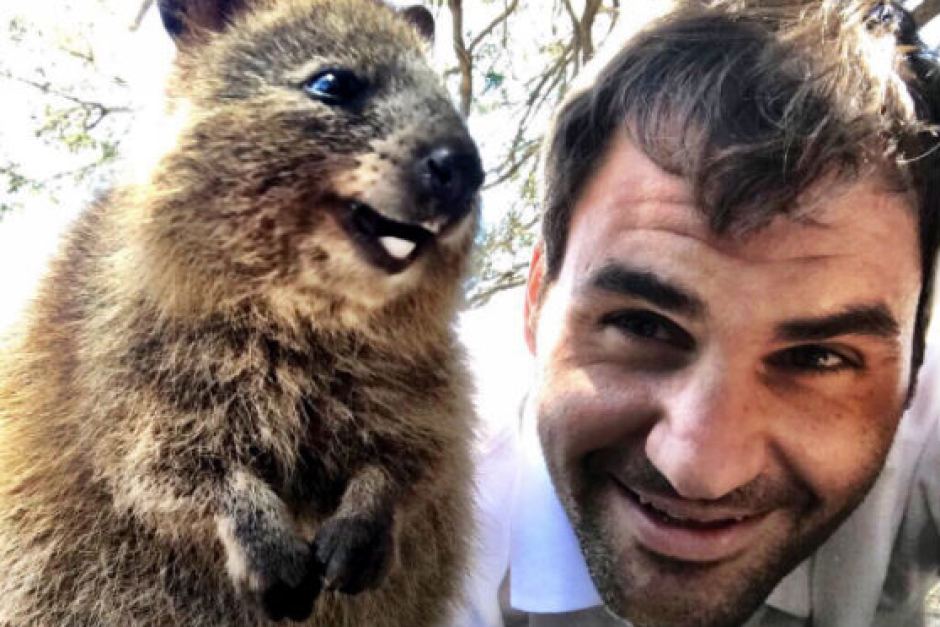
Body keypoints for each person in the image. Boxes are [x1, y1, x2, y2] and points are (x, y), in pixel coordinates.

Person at [461, 1, 940, 626]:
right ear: (535, 301)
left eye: (815, 358)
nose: (699, 471)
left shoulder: (924, 432)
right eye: (643, 324)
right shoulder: (411, 495)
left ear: (915, 367)